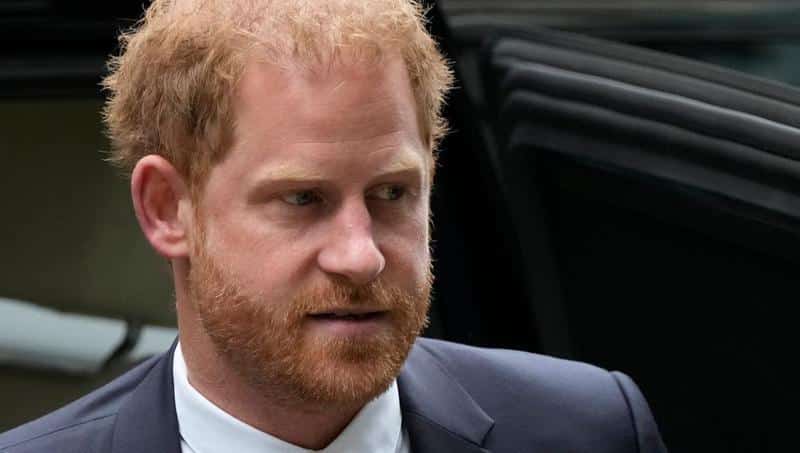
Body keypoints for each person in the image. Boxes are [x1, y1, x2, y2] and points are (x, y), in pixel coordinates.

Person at [0, 0, 667, 452]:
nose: (361, 255)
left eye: (392, 192)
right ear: (167, 207)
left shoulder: (588, 429)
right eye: (302, 199)